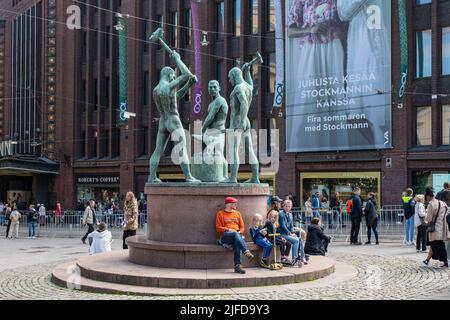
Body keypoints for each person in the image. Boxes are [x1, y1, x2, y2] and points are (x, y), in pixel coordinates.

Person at [286, 0, 345, 151]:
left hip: (333, 46)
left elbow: (346, 20)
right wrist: (312, 29)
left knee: (335, 97)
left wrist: (336, 26)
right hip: (310, 48)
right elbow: (290, 31)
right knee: (308, 96)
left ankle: (339, 146)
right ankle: (304, 147)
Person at [147, 50, 199, 183]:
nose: (174, 78)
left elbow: (175, 98)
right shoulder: (168, 86)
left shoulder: (156, 90)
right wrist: (177, 59)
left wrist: (189, 85)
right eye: (173, 76)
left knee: (157, 151)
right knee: (182, 149)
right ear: (170, 75)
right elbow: (187, 74)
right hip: (173, 120)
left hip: (163, 121)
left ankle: (152, 176)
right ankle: (188, 177)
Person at [215, 197, 254, 274]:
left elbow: (242, 227)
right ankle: (246, 251)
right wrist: (228, 230)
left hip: (236, 236)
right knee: (235, 233)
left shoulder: (238, 213)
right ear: (228, 204)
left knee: (237, 243)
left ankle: (238, 266)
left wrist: (239, 232)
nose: (236, 205)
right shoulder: (220, 213)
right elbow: (218, 228)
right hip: (225, 236)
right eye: (234, 203)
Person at [423, 187, 448, 268]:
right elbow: (446, 213)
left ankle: (445, 261)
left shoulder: (431, 204)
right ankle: (427, 260)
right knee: (436, 244)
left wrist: (426, 217)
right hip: (442, 226)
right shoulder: (442, 203)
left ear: (427, 195)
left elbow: (428, 218)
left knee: (437, 245)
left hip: (434, 228)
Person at [279, 199, 305, 265]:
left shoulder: (290, 215)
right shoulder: (281, 214)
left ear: (291, 207)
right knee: (296, 240)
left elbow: (290, 226)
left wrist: (293, 233)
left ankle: (302, 257)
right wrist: (290, 234)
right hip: (281, 234)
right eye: (286, 206)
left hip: (287, 234)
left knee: (299, 239)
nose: (287, 208)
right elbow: (283, 226)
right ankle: (294, 258)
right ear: (283, 206)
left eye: (289, 206)